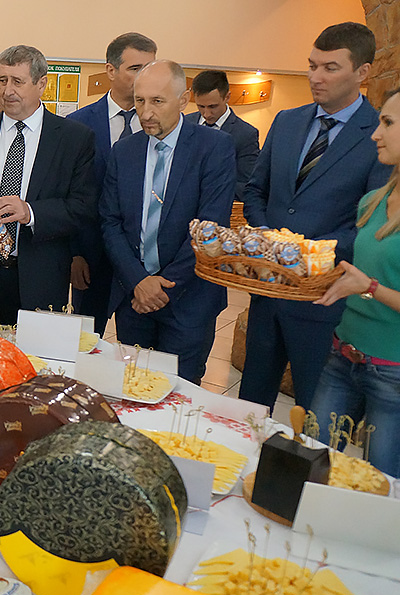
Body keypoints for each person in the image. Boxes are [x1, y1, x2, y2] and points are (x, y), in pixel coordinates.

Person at [238, 22, 391, 412]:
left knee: (314, 416)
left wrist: (306, 253)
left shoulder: (379, 135)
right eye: (311, 65)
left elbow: (370, 222)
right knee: (249, 405)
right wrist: (270, 238)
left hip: (323, 300)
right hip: (268, 291)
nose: (315, 77)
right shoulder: (287, 121)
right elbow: (256, 190)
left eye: (330, 68)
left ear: (363, 72)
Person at [100, 60, 235, 384]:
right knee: (134, 388)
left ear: (183, 100)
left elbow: (210, 227)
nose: (146, 112)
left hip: (189, 300)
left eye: (157, 101)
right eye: (140, 101)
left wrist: (162, 286)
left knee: (180, 393)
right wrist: (139, 281)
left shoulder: (214, 148)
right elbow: (110, 222)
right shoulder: (124, 151)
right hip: (134, 300)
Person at [0, 45, 97, 325]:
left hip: (40, 281)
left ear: (41, 84)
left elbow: (83, 207)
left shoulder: (74, 139)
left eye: (17, 81)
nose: (7, 90)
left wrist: (31, 213)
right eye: (3, 80)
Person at [310, 87, 400, 478]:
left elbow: (368, 283)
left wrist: (369, 287)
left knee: (380, 485)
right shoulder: (373, 202)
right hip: (343, 355)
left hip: (393, 372)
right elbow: (359, 273)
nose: (375, 134)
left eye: (388, 123)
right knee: (310, 464)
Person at [67, 33, 157, 334]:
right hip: (91, 258)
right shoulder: (78, 125)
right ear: (111, 70)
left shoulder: (163, 126)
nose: (144, 76)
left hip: (144, 264)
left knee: (139, 347)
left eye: (150, 68)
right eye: (135, 68)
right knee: (85, 342)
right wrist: (74, 253)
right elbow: (69, 192)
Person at [186, 70, 260, 201]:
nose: (206, 114)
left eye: (212, 106)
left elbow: (247, 185)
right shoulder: (185, 124)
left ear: (227, 97)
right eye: (201, 106)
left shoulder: (246, 134)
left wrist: (207, 188)